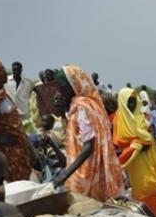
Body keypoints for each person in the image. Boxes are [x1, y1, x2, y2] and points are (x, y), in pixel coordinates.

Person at [51, 65, 123, 201]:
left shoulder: (81, 108)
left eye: (61, 86)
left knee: (83, 207)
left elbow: (88, 146)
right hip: (98, 168)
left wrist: (66, 173)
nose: (59, 90)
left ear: (73, 84)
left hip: (86, 171)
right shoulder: (93, 104)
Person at [114, 88, 156, 217]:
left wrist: (138, 143)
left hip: (145, 161)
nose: (131, 105)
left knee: (149, 187)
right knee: (139, 189)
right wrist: (137, 143)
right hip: (133, 163)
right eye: (128, 102)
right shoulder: (119, 118)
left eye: (133, 101)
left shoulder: (139, 115)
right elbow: (119, 140)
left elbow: (147, 139)